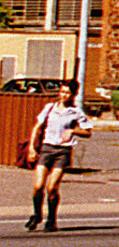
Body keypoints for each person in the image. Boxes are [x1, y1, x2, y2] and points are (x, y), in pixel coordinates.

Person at [26, 84, 91, 232]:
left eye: (67, 93)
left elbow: (88, 132)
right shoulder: (50, 108)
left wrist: (73, 131)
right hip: (47, 148)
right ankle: (37, 215)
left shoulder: (75, 112)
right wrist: (31, 148)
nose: (64, 95)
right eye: (62, 92)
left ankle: (51, 220)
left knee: (52, 187)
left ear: (73, 95)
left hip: (62, 151)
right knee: (38, 185)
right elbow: (37, 127)